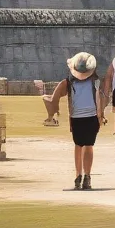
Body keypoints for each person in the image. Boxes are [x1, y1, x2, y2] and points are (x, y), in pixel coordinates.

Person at [44, 52, 106, 190]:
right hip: (91, 117)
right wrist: (101, 116)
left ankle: (78, 175)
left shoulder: (68, 82)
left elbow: (54, 98)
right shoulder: (95, 81)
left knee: (78, 146)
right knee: (88, 146)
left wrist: (51, 113)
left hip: (76, 118)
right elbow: (101, 99)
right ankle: (87, 176)